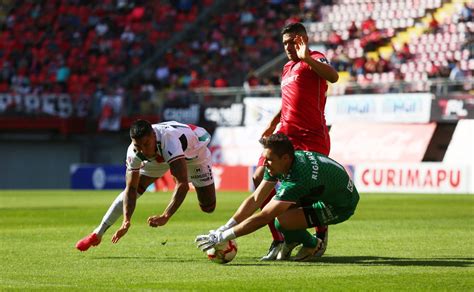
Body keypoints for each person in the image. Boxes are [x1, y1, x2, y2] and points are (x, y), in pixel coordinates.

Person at [196, 133, 359, 262]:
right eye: (264, 158)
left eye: (269, 160)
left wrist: (224, 237)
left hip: (341, 205)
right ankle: (292, 240)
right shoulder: (282, 163)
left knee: (281, 221)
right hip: (323, 192)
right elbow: (255, 199)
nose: (265, 164)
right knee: (282, 212)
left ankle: (312, 244)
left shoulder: (298, 179)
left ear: (286, 158)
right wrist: (224, 227)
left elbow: (265, 216)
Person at [254, 22, 339, 260]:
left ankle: (319, 237)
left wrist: (307, 59)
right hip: (286, 134)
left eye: (293, 42)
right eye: (285, 43)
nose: (288, 47)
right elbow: (288, 102)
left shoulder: (316, 58)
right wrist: (273, 123)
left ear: (303, 40)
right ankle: (280, 240)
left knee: (310, 188)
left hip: (312, 135)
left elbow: (334, 76)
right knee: (259, 177)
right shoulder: (286, 68)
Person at [76, 120, 216, 251]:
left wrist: (165, 215)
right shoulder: (134, 152)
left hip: (194, 155)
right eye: (138, 146)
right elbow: (131, 189)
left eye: (146, 144)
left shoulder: (169, 140)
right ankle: (97, 233)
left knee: (208, 207)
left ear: (154, 136)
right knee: (135, 188)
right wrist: (126, 220)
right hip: (158, 159)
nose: (143, 151)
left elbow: (182, 184)